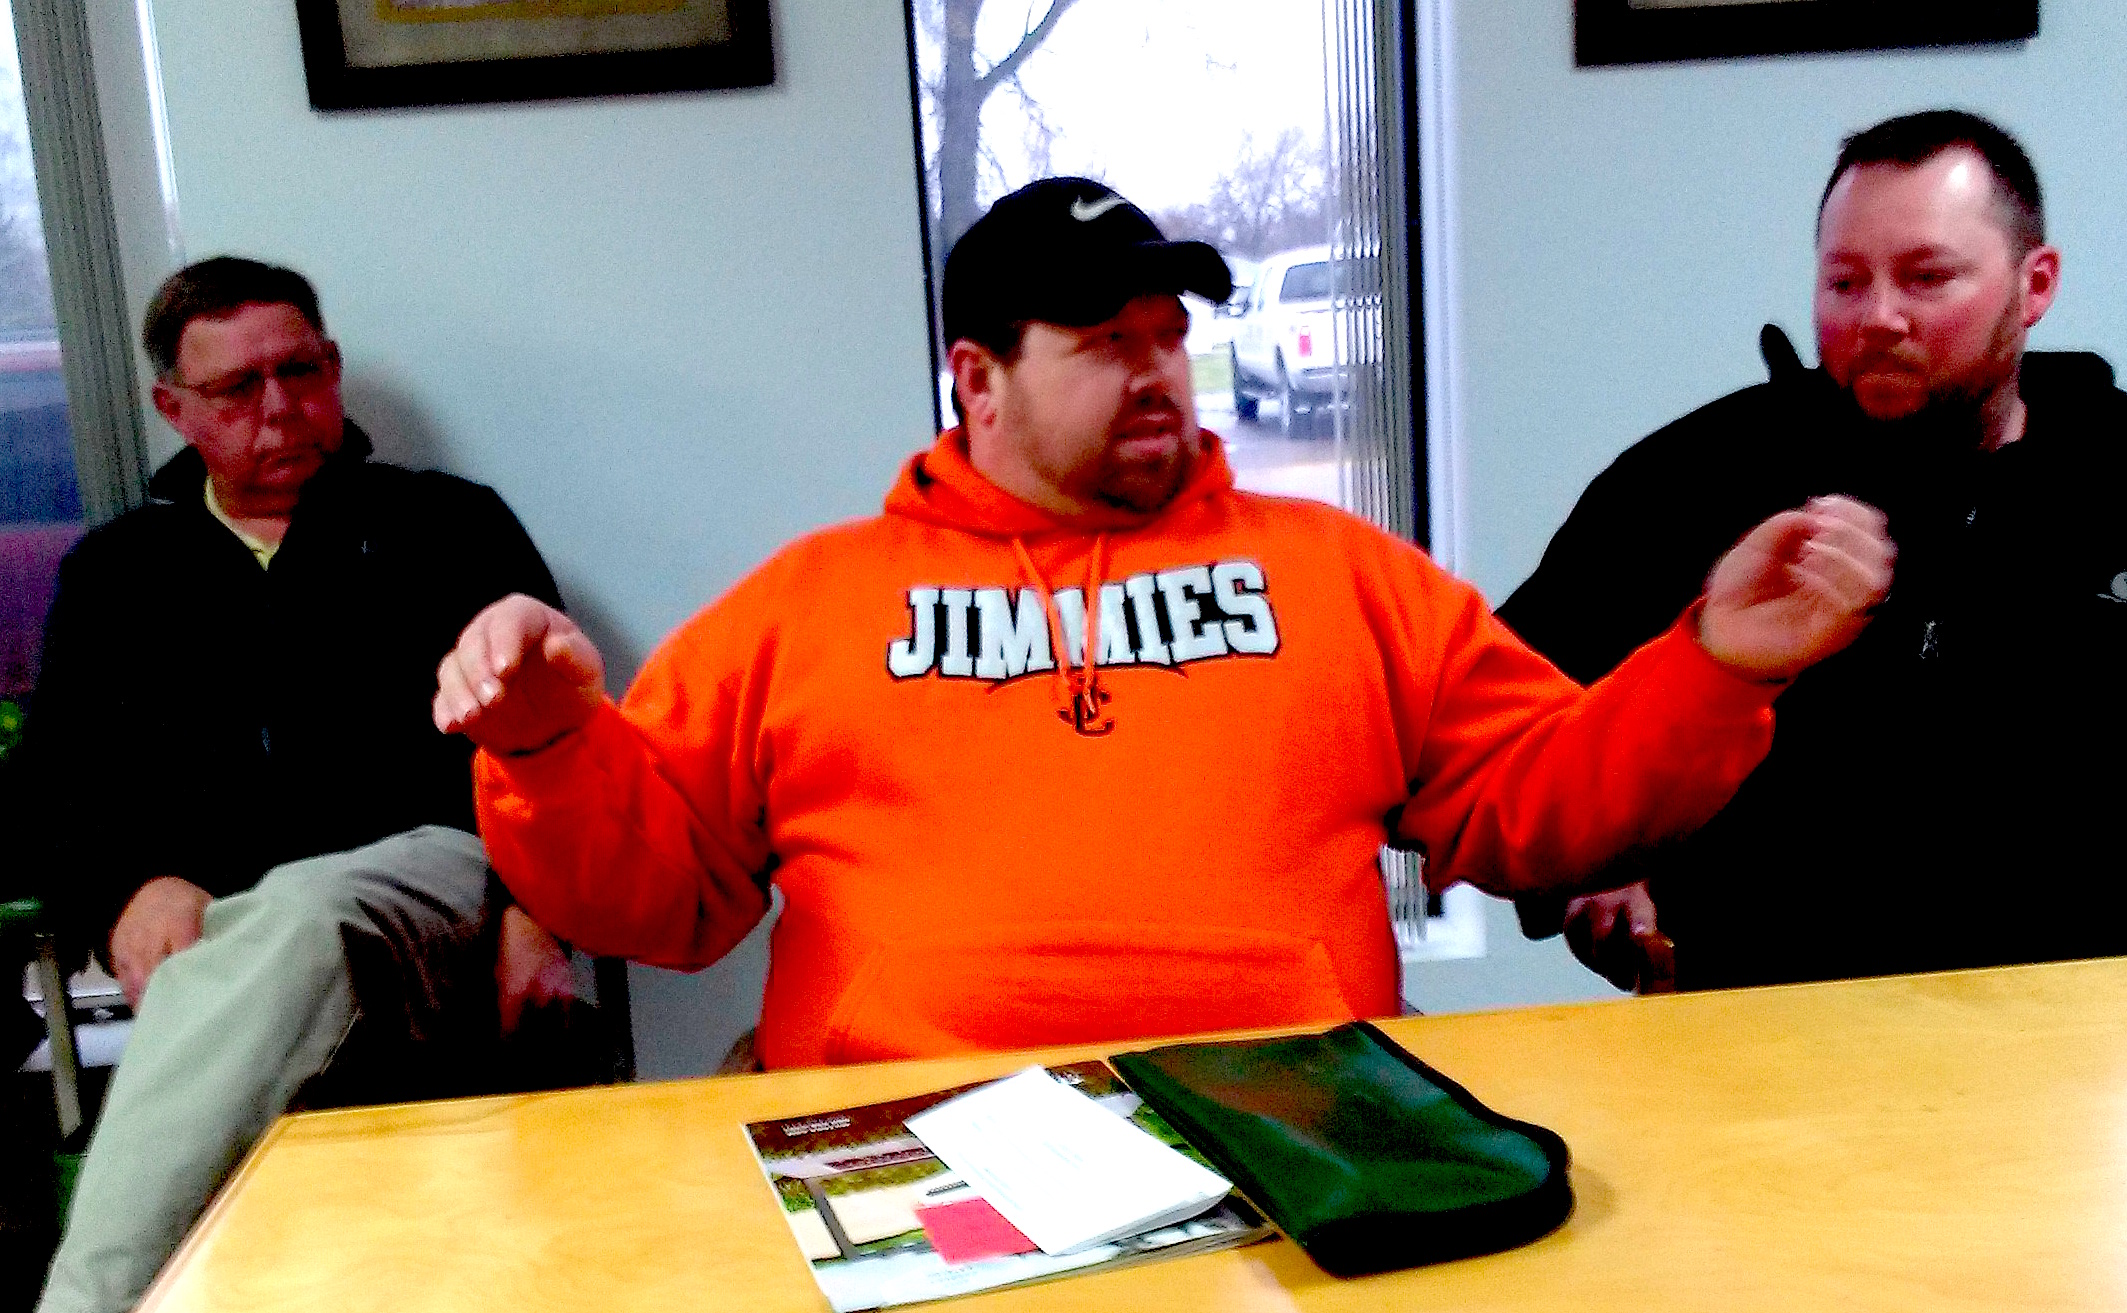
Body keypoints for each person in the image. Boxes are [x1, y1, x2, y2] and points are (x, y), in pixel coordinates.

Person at [435, 177, 1892, 1071]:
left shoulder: (1338, 575)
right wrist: (551, 747)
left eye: (1168, 337)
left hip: (1288, 1110)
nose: (1155, 375)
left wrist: (1709, 669)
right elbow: (659, 902)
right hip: (915, 1127)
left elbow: (1534, 811)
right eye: (1101, 344)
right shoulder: (809, 602)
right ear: (977, 379)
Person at [28, 257, 579, 1313]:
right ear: (175, 410)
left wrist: (534, 910)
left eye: (302, 371)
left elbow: (558, 740)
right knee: (265, 938)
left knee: (300, 909)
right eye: (238, 388)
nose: (280, 408)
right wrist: (126, 890)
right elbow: (56, 781)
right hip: (228, 943)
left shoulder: (448, 525)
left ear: (331, 367)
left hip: (439, 890)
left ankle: (86, 1303)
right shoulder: (116, 572)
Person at [1500, 110, 2127, 993]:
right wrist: (1589, 866)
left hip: (2075, 1029)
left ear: (2034, 285)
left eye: (1926, 278)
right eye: (1843, 282)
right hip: (1758, 1019)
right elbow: (1504, 721)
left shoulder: (2117, 476)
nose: (1878, 318)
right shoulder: (1698, 476)